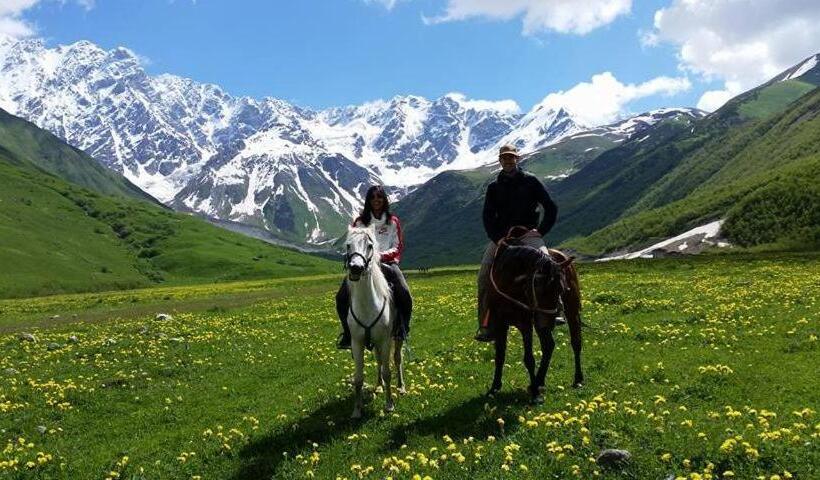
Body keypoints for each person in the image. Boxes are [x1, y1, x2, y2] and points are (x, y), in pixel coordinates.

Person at [475, 144, 558, 342]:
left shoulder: (531, 181)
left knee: (549, 265)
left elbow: (550, 207)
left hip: (529, 235)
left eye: (511, 157)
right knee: (483, 276)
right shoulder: (494, 187)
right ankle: (485, 325)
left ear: (517, 159)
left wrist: (541, 231)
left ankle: (557, 310)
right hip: (504, 238)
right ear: (500, 161)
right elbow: (487, 216)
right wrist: (497, 238)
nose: (508, 161)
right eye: (504, 158)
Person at [336, 185, 413, 349]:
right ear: (368, 201)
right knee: (341, 297)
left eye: (379, 197)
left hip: (387, 263)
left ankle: (403, 328)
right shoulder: (360, 222)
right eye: (372, 197)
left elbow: (397, 246)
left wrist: (380, 257)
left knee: (404, 292)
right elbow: (353, 244)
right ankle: (348, 334)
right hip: (362, 265)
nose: (376, 200)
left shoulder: (393, 222)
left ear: (384, 200)